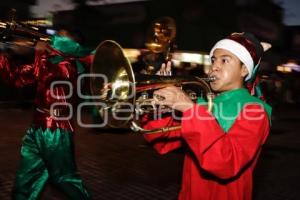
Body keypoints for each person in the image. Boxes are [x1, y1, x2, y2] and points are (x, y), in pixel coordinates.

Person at [142, 32, 272, 200]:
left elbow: (227, 163)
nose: (214, 67)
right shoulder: (204, 102)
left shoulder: (255, 110)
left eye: (224, 60)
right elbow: (162, 141)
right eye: (213, 60)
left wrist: (190, 109)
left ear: (244, 69)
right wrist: (160, 101)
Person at [0, 27, 93, 199]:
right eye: (55, 35)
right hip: (37, 127)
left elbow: (47, 74)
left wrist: (39, 54)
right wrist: (3, 56)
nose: (53, 39)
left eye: (60, 37)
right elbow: (16, 77)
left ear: (72, 45)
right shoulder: (47, 61)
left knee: (64, 179)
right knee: (25, 180)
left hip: (56, 129)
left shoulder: (70, 66)